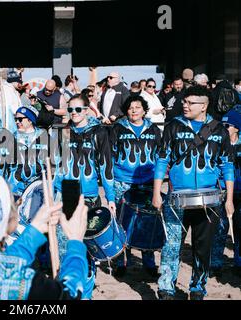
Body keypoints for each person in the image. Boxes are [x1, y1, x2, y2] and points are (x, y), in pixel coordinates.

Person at [152, 86, 235, 300]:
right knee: (171, 246)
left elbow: (227, 165)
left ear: (204, 106)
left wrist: (230, 200)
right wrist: (156, 192)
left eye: (191, 103)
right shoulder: (173, 126)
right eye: (184, 102)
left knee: (202, 248)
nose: (185, 105)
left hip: (210, 200)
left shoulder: (219, 130)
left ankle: (197, 288)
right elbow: (162, 160)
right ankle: (166, 289)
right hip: (176, 198)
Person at [109, 95, 163, 277]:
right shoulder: (117, 128)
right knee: (121, 221)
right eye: (130, 107)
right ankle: (122, 261)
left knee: (147, 221)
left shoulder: (154, 129)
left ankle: (148, 262)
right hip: (122, 180)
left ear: (144, 110)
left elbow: (160, 155)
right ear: (126, 111)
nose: (134, 110)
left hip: (147, 181)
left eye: (138, 107)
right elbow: (111, 155)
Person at [54, 94, 116, 215]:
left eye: (78, 109)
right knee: (69, 234)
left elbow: (106, 166)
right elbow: (57, 166)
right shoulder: (63, 132)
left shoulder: (99, 132)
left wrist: (111, 197)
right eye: (70, 109)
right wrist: (54, 194)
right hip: (67, 194)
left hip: (90, 195)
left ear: (86, 110)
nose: (73, 113)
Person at [210, 108, 241, 277]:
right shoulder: (218, 143)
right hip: (222, 190)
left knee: (239, 228)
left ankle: (238, 261)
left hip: (240, 192)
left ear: (237, 127)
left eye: (228, 125)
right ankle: (215, 263)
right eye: (222, 125)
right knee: (219, 228)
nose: (224, 128)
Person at [9, 105, 49, 197]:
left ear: (30, 120)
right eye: (15, 119)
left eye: (20, 119)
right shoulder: (11, 138)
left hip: (38, 188)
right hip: (16, 189)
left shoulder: (44, 137)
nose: (17, 122)